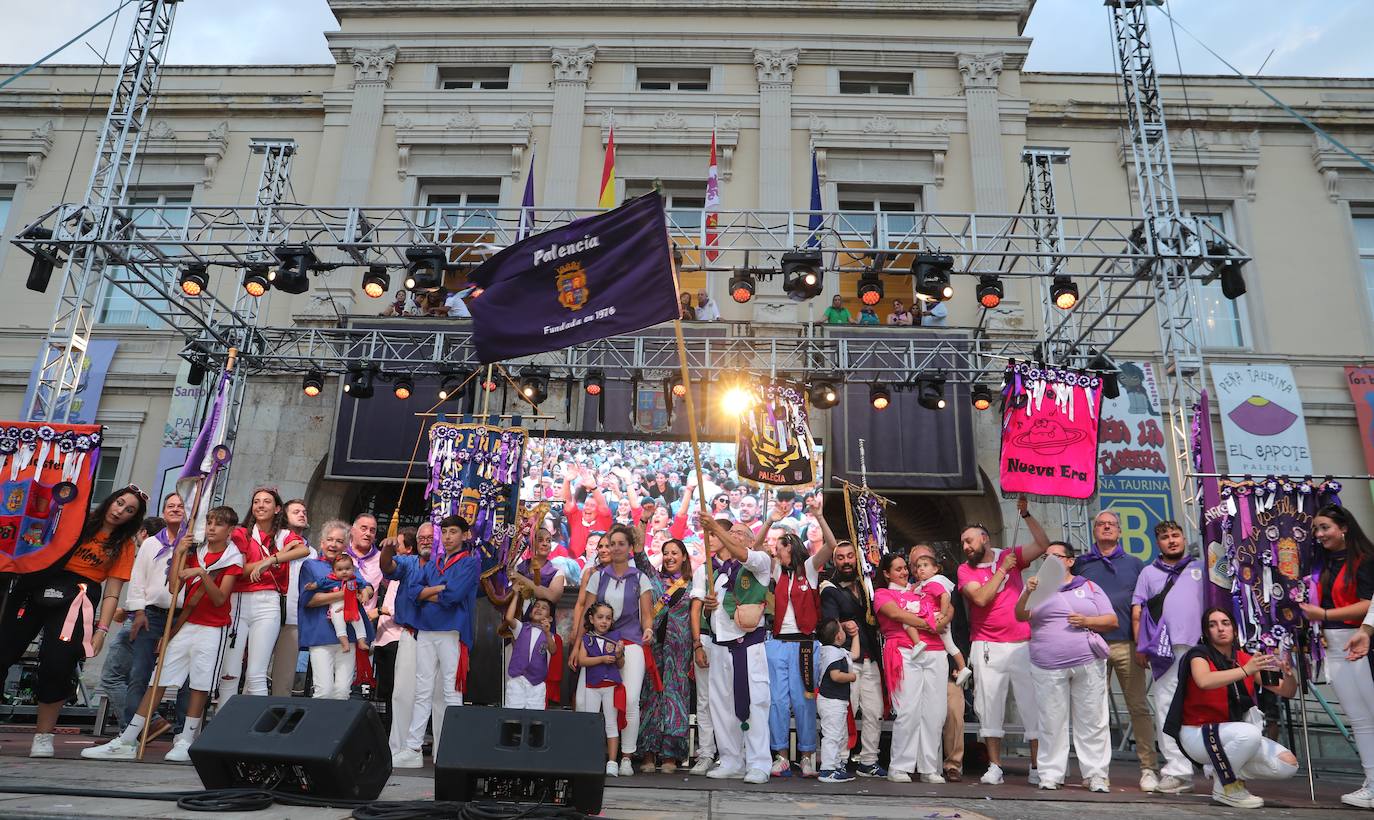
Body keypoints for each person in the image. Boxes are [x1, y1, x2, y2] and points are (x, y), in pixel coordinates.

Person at [83, 505, 243, 763]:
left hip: (214, 627)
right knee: (158, 678)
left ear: (230, 530)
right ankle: (128, 739)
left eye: (219, 524)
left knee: (199, 683)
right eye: (210, 522)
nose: (212, 528)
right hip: (187, 623)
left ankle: (187, 739)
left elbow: (219, 598)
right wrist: (179, 555)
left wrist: (202, 573)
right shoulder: (196, 551)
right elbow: (173, 585)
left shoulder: (233, 558)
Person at [2, 486, 147, 759]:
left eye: (129, 510)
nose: (120, 511)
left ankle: (43, 737)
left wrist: (102, 629)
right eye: (119, 503)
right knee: (3, 651)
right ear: (110, 500)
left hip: (80, 596)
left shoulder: (123, 544)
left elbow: (113, 592)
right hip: (37, 585)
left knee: (57, 662)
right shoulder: (76, 521)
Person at [1163, 608, 1299, 808]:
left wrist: (1289, 674)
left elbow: (1287, 692)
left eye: (1225, 623)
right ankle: (1225, 787)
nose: (1220, 628)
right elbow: (1204, 680)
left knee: (1287, 764)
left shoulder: (1244, 659)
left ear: (1235, 630)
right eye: (1212, 624)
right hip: (1197, 734)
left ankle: (1220, 769)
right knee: (1251, 733)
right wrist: (1245, 671)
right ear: (1206, 632)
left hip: (1233, 737)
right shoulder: (1198, 654)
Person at [956, 496, 1049, 785]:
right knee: (989, 706)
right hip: (986, 645)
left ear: (984, 539)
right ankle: (995, 766)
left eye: (970, 541)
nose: (966, 547)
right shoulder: (965, 570)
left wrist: (1027, 515)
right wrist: (1002, 570)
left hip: (1021, 642)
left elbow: (1043, 545)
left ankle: (1036, 766)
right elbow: (981, 598)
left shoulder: (1008, 554)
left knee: (1030, 706)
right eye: (963, 543)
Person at [1015, 542, 1116, 792]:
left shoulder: (1089, 586)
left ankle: (1096, 775)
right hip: (1047, 664)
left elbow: (1111, 620)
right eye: (1046, 557)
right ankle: (1050, 774)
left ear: (1070, 561)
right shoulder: (1036, 586)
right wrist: (1027, 593)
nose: (1049, 561)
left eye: (1055, 556)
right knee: (1051, 720)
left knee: (1092, 719)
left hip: (1087, 661)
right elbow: (1019, 615)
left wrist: (1087, 620)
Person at [1071, 509, 1157, 792]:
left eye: (1112, 525)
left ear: (1120, 532)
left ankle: (1148, 769)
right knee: (1093, 711)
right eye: (1101, 524)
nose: (1106, 528)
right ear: (1094, 531)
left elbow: (1144, 607)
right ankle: (1097, 771)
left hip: (1127, 646)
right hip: (1091, 644)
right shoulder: (1081, 564)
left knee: (1138, 708)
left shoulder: (1135, 564)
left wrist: (1144, 643)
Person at [1297, 504, 1374, 808]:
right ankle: (1371, 783)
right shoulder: (1320, 564)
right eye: (1316, 529)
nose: (1319, 534)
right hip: (1333, 646)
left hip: (1361, 643)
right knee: (1359, 721)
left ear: (1344, 527)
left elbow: (1368, 604)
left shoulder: (1365, 560)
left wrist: (1324, 613)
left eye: (1325, 527)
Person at [692, 514, 773, 784]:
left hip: (748, 648)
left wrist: (716, 527)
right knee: (721, 706)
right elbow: (709, 611)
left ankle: (759, 763)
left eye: (740, 532)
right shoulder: (715, 572)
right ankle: (730, 759)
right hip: (719, 646)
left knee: (755, 703)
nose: (734, 535)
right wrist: (708, 608)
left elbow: (742, 553)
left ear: (750, 541)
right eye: (732, 532)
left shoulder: (760, 562)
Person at [571, 524, 655, 776]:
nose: (615, 548)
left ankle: (626, 756)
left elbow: (647, 615)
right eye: (611, 543)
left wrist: (648, 630)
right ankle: (589, 755)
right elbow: (587, 613)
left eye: (621, 543)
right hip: (596, 644)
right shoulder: (598, 576)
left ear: (630, 548)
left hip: (629, 643)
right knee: (585, 700)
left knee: (629, 700)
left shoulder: (640, 578)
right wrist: (577, 646)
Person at [396, 515, 479, 768]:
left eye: (454, 532)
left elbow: (453, 595)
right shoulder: (433, 564)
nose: (448, 537)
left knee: (451, 692)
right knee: (422, 691)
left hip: (452, 631)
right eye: (445, 532)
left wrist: (426, 593)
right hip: (427, 630)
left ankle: (451, 749)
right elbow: (412, 592)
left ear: (466, 535)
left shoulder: (470, 563)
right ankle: (413, 749)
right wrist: (436, 590)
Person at [1132, 519, 1206, 795]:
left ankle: (1213, 764)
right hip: (1163, 649)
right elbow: (1138, 610)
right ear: (1158, 543)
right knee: (1165, 706)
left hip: (1199, 645)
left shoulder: (1201, 568)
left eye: (1176, 535)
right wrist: (1141, 646)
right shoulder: (1148, 573)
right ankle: (1177, 770)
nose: (1172, 540)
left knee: (1206, 703)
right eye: (1165, 537)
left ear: (1184, 538)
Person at [218, 487, 308, 706]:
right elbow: (238, 569)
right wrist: (269, 561)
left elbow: (303, 550)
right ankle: (222, 726)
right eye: (256, 501)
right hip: (238, 601)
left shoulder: (284, 534)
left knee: (257, 673)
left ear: (278, 508)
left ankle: (251, 732)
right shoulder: (240, 533)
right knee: (229, 671)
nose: (260, 505)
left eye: (267, 502)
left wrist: (272, 559)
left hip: (269, 603)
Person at [768, 496, 836, 778]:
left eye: (779, 549)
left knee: (804, 700)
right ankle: (781, 755)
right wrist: (771, 520)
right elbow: (754, 547)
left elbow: (832, 546)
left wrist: (819, 516)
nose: (776, 553)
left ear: (791, 548)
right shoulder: (775, 571)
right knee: (777, 701)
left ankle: (807, 754)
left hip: (805, 644)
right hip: (777, 643)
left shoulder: (807, 569)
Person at [118, 494, 190, 738]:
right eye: (171, 506)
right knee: (139, 672)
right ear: (163, 511)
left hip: (183, 615)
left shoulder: (194, 543)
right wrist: (138, 610)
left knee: (185, 677)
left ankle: (184, 732)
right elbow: (138, 580)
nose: (175, 510)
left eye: (180, 506)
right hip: (152, 614)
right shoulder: (151, 544)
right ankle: (134, 730)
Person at [874, 553, 948, 784]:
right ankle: (899, 766)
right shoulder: (882, 593)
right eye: (898, 569)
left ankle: (929, 767)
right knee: (908, 710)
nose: (904, 572)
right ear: (886, 573)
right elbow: (896, 614)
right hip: (903, 651)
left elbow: (949, 608)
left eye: (905, 568)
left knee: (935, 712)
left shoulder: (922, 589)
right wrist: (929, 623)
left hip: (936, 649)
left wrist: (942, 620)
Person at [819, 541, 886, 778]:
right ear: (834, 561)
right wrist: (842, 625)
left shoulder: (868, 584)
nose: (846, 561)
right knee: (847, 712)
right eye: (840, 557)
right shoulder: (829, 587)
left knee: (874, 711)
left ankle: (869, 760)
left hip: (871, 658)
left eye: (850, 557)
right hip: (847, 656)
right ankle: (838, 761)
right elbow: (829, 622)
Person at [379, 524, 441, 759]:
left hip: (440, 635)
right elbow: (388, 566)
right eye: (422, 537)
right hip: (411, 633)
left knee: (439, 696)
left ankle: (442, 754)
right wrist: (387, 549)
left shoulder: (448, 564)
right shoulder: (410, 562)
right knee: (403, 693)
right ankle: (400, 749)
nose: (426, 541)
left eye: (431, 537)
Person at [638, 538, 694, 773]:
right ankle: (649, 754)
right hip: (654, 647)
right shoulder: (653, 579)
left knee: (675, 701)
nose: (670, 557)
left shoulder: (693, 584)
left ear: (683, 556)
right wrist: (643, 520)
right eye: (666, 553)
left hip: (680, 649)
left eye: (674, 552)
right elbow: (639, 553)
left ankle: (670, 756)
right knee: (652, 699)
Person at [300, 521, 369, 700]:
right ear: (322, 543)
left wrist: (367, 592)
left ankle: (337, 728)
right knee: (324, 691)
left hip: (350, 635)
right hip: (321, 635)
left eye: (339, 541)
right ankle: (317, 728)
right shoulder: (310, 566)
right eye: (329, 539)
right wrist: (344, 594)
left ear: (345, 546)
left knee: (342, 691)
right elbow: (309, 600)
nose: (333, 544)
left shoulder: (350, 568)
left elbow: (366, 586)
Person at [372, 528, 415, 733]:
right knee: (385, 690)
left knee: (396, 691)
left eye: (397, 545)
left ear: (409, 549)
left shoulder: (409, 571)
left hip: (396, 639)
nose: (393, 548)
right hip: (383, 638)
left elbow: (402, 608)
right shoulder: (394, 572)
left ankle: (394, 733)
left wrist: (379, 610)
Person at [578, 601, 627, 777]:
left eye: (608, 618)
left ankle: (612, 761)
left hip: (611, 686)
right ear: (591, 619)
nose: (604, 621)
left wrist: (619, 653)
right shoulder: (587, 638)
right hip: (592, 686)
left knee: (611, 723)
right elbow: (581, 660)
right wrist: (601, 659)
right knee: (592, 722)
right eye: (600, 617)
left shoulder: (616, 638)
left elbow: (621, 664)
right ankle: (591, 758)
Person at [271, 498, 314, 696]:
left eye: (304, 511)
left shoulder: (312, 552)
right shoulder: (275, 539)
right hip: (268, 611)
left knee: (284, 678)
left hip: (293, 617)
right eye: (296, 511)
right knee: (254, 671)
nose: (302, 514)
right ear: (284, 517)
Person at [909, 550, 971, 687]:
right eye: (918, 566)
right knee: (950, 645)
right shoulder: (924, 585)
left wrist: (942, 613)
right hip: (936, 616)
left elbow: (945, 596)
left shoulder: (933, 583)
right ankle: (962, 667)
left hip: (935, 615)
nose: (921, 569)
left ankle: (918, 643)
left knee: (909, 623)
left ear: (935, 569)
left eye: (925, 565)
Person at [814, 619, 860, 784]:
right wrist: (852, 677)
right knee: (832, 735)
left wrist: (856, 636)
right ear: (839, 636)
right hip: (831, 700)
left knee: (838, 734)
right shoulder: (833, 654)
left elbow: (854, 655)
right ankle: (827, 769)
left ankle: (835, 765)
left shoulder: (832, 650)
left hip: (835, 700)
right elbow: (836, 676)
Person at [305, 554, 373, 651]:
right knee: (338, 623)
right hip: (337, 606)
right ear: (334, 571)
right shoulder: (330, 579)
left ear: (353, 569)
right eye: (340, 570)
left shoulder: (354, 579)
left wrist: (365, 595)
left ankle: (361, 641)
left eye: (347, 569)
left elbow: (363, 587)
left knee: (358, 620)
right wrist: (312, 586)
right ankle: (344, 643)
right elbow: (320, 583)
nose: (344, 572)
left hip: (351, 606)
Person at [504, 592, 555, 710]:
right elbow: (509, 618)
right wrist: (516, 595)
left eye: (544, 608)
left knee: (535, 718)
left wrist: (547, 632)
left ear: (550, 618)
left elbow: (553, 650)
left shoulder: (549, 635)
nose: (539, 609)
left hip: (536, 683)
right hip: (517, 680)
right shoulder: (521, 627)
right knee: (513, 715)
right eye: (536, 606)